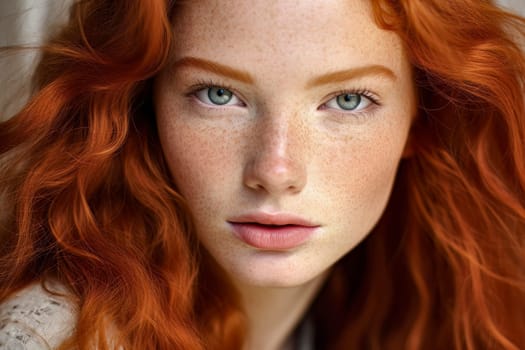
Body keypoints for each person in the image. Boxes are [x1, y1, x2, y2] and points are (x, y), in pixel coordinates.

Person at [0, 0, 524, 349]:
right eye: (218, 94)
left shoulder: (416, 303)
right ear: (145, 106)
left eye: (347, 100)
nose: (275, 171)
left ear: (421, 118)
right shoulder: (51, 336)